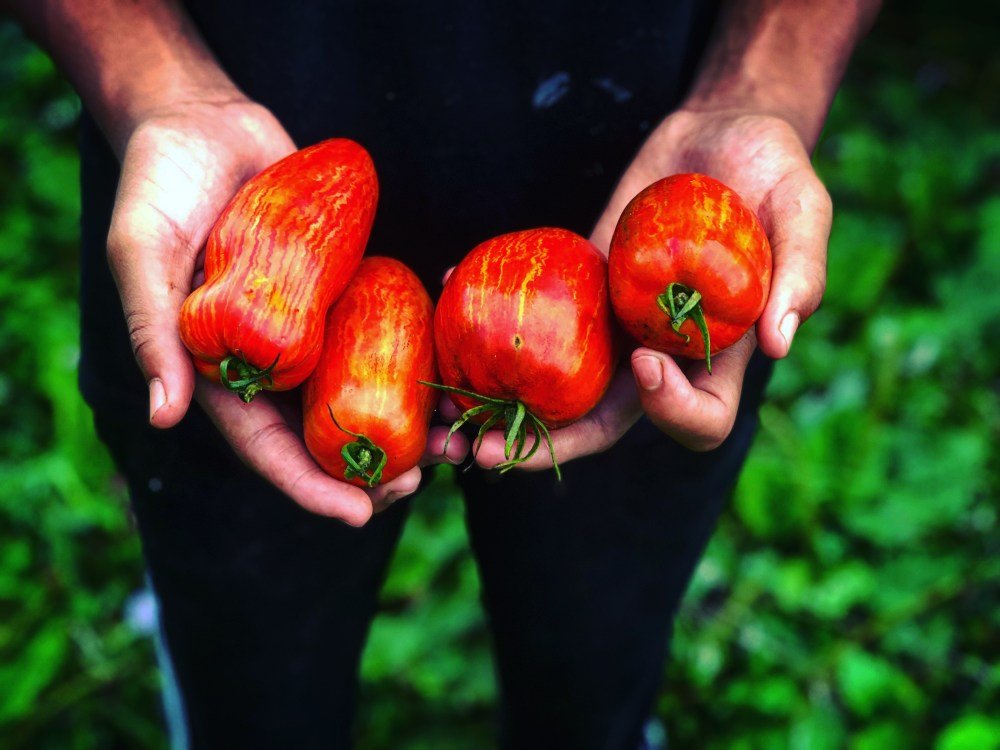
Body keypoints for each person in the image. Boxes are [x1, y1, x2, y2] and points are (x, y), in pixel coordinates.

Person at [6, 0, 880, 747]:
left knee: (598, 664)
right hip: (236, 181)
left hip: (636, 227)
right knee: (245, 682)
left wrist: (762, 84)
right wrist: (152, 83)